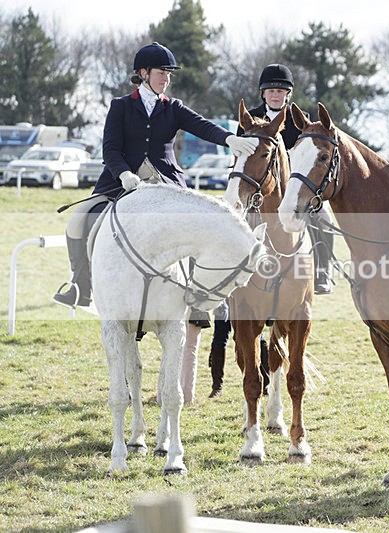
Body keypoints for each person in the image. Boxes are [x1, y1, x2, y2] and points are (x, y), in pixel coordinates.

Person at [52, 42, 259, 403]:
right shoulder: (120, 106)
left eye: (168, 74)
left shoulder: (172, 108)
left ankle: (195, 297)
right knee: (78, 220)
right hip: (122, 180)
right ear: (144, 74)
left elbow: (200, 125)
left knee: (195, 227)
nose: (166, 78)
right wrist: (125, 175)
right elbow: (110, 149)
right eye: (162, 72)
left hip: (165, 182)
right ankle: (80, 284)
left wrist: (229, 139)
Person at [207, 63, 336, 398]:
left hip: (296, 194)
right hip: (256, 193)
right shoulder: (248, 120)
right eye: (271, 90)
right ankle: (225, 277)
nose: (276, 94)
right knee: (230, 227)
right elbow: (241, 162)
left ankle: (321, 273)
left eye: (281, 90)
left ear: (288, 94)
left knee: (324, 222)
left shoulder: (300, 121)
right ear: (263, 93)